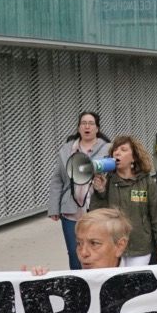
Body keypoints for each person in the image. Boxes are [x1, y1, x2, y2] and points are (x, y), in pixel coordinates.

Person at [92, 135, 157, 265]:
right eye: (115, 150)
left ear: (134, 157)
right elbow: (96, 214)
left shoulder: (147, 182)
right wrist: (100, 192)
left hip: (140, 246)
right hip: (113, 245)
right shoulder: (108, 181)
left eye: (123, 149)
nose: (117, 152)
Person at [49, 111, 110, 270]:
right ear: (78, 127)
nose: (87, 126)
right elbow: (57, 179)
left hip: (97, 209)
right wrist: (54, 207)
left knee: (98, 251)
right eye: (84, 123)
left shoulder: (108, 149)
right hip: (71, 210)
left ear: (97, 128)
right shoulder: (67, 149)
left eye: (91, 123)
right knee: (75, 252)